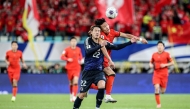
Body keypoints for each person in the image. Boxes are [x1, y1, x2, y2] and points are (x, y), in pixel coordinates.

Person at [73, 25, 137, 109]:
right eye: (95, 31)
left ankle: (97, 107)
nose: (97, 32)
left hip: (98, 70)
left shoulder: (103, 41)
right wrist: (100, 46)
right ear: (91, 32)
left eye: (99, 31)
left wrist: (130, 42)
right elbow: (88, 52)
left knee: (102, 85)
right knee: (81, 95)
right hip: (88, 72)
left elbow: (116, 47)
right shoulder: (88, 40)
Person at [90, 18, 148, 103]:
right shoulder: (100, 36)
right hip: (100, 60)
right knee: (112, 74)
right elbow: (115, 47)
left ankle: (89, 85)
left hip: (106, 60)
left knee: (105, 85)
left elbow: (127, 35)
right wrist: (129, 43)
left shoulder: (112, 32)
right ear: (101, 29)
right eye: (104, 27)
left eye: (107, 25)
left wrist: (140, 39)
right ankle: (108, 97)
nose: (107, 27)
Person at [149, 41, 174, 108]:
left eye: (161, 45)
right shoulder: (154, 54)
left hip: (164, 74)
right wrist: (151, 65)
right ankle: (158, 104)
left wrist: (165, 64)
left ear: (163, 47)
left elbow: (172, 62)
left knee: (163, 91)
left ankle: (160, 88)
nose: (159, 46)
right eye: (158, 45)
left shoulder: (167, 54)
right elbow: (150, 62)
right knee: (156, 88)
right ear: (157, 47)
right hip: (156, 73)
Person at [61, 37, 83, 102]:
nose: (73, 42)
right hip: (69, 68)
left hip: (77, 68)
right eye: (72, 41)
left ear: (76, 42)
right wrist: (67, 59)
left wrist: (80, 60)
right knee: (71, 83)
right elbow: (62, 56)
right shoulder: (66, 49)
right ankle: (71, 94)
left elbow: (80, 56)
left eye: (74, 41)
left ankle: (74, 96)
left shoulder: (78, 49)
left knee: (75, 82)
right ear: (70, 42)